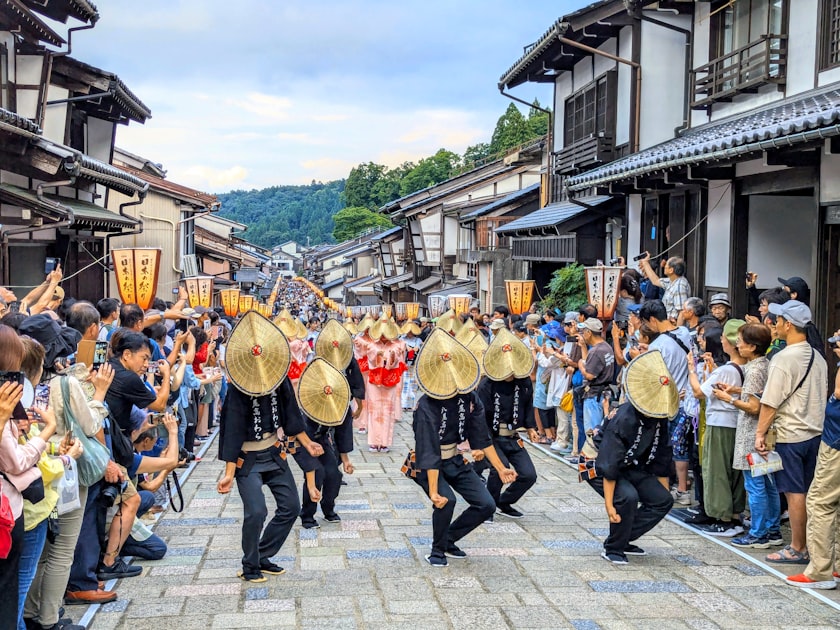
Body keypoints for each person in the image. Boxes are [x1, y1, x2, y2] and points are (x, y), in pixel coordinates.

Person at [217, 312, 323, 582]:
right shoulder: (237, 388)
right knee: (256, 512)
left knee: (291, 507)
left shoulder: (280, 379)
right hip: (247, 459)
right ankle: (249, 565)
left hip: (274, 453)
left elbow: (291, 418)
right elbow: (232, 432)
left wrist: (308, 443)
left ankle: (262, 555)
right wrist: (228, 472)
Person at [409, 329, 516, 567]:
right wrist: (434, 491)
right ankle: (437, 550)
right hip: (428, 464)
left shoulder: (469, 398)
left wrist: (499, 468)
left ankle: (449, 539)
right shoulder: (426, 405)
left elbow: (481, 438)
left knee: (486, 504)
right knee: (446, 500)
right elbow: (429, 451)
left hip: (455, 459)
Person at [586, 350, 675, 564]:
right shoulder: (624, 417)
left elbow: (661, 456)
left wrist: (658, 492)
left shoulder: (659, 416)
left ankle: (623, 537)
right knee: (627, 497)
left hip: (630, 464)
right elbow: (609, 464)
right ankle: (614, 547)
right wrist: (609, 507)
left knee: (663, 500)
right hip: (596, 462)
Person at [756, 300, 827, 565]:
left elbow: (770, 402)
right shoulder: (818, 356)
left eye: (778, 320)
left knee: (794, 492)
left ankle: (798, 547)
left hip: (791, 434)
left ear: (788, 324)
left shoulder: (784, 358)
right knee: (809, 492)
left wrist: (760, 433)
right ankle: (811, 544)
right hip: (815, 434)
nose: (774, 324)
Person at [714, 323, 780, 548]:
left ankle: (758, 532)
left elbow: (754, 406)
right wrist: (735, 390)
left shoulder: (753, 370)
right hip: (766, 432)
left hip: (753, 433)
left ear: (752, 346)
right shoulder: (764, 364)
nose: (737, 345)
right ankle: (772, 529)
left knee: (755, 485)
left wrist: (729, 399)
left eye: (741, 341)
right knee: (768, 483)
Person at [786, 330, 840, 589]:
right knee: (834, 502)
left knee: (820, 501)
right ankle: (836, 563)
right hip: (832, 438)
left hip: (836, 442)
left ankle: (820, 570)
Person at [299, 320, 364, 529]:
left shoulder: (342, 394)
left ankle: (329, 508)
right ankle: (307, 514)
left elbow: (344, 430)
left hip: (323, 439)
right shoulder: (314, 368)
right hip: (306, 436)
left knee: (334, 473)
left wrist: (345, 459)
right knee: (316, 473)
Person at [686, 321, 747, 537]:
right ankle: (734, 515)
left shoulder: (726, 370)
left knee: (718, 471)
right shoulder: (745, 367)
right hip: (736, 423)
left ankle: (723, 518)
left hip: (720, 424)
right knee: (734, 472)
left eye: (725, 338)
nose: (721, 341)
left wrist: (692, 370)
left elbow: (698, 392)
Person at [635, 300, 693, 506]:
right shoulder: (685, 333)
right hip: (684, 400)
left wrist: (640, 357)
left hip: (663, 402)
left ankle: (661, 490)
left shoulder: (658, 346)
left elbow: (652, 378)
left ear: (651, 320)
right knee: (680, 446)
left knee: (660, 448)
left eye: (646, 323)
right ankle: (683, 489)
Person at [476, 328, 538, 519]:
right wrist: (479, 445)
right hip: (492, 436)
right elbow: (479, 418)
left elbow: (528, 405)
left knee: (529, 475)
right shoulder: (487, 384)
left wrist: (531, 427)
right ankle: (489, 508)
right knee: (499, 468)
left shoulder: (524, 381)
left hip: (513, 436)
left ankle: (505, 502)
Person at [575, 318, 614, 435]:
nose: (582, 334)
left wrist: (580, 366)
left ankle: (592, 453)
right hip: (604, 392)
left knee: (593, 431)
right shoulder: (606, 346)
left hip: (594, 395)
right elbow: (590, 363)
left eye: (583, 331)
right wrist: (583, 347)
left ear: (589, 332)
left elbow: (590, 375)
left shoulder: (596, 351)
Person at [638, 254, 691, 322]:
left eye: (666, 265)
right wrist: (645, 263)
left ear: (671, 270)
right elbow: (655, 281)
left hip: (673, 325)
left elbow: (681, 312)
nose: (664, 266)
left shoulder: (679, 285)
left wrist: (677, 331)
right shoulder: (672, 281)